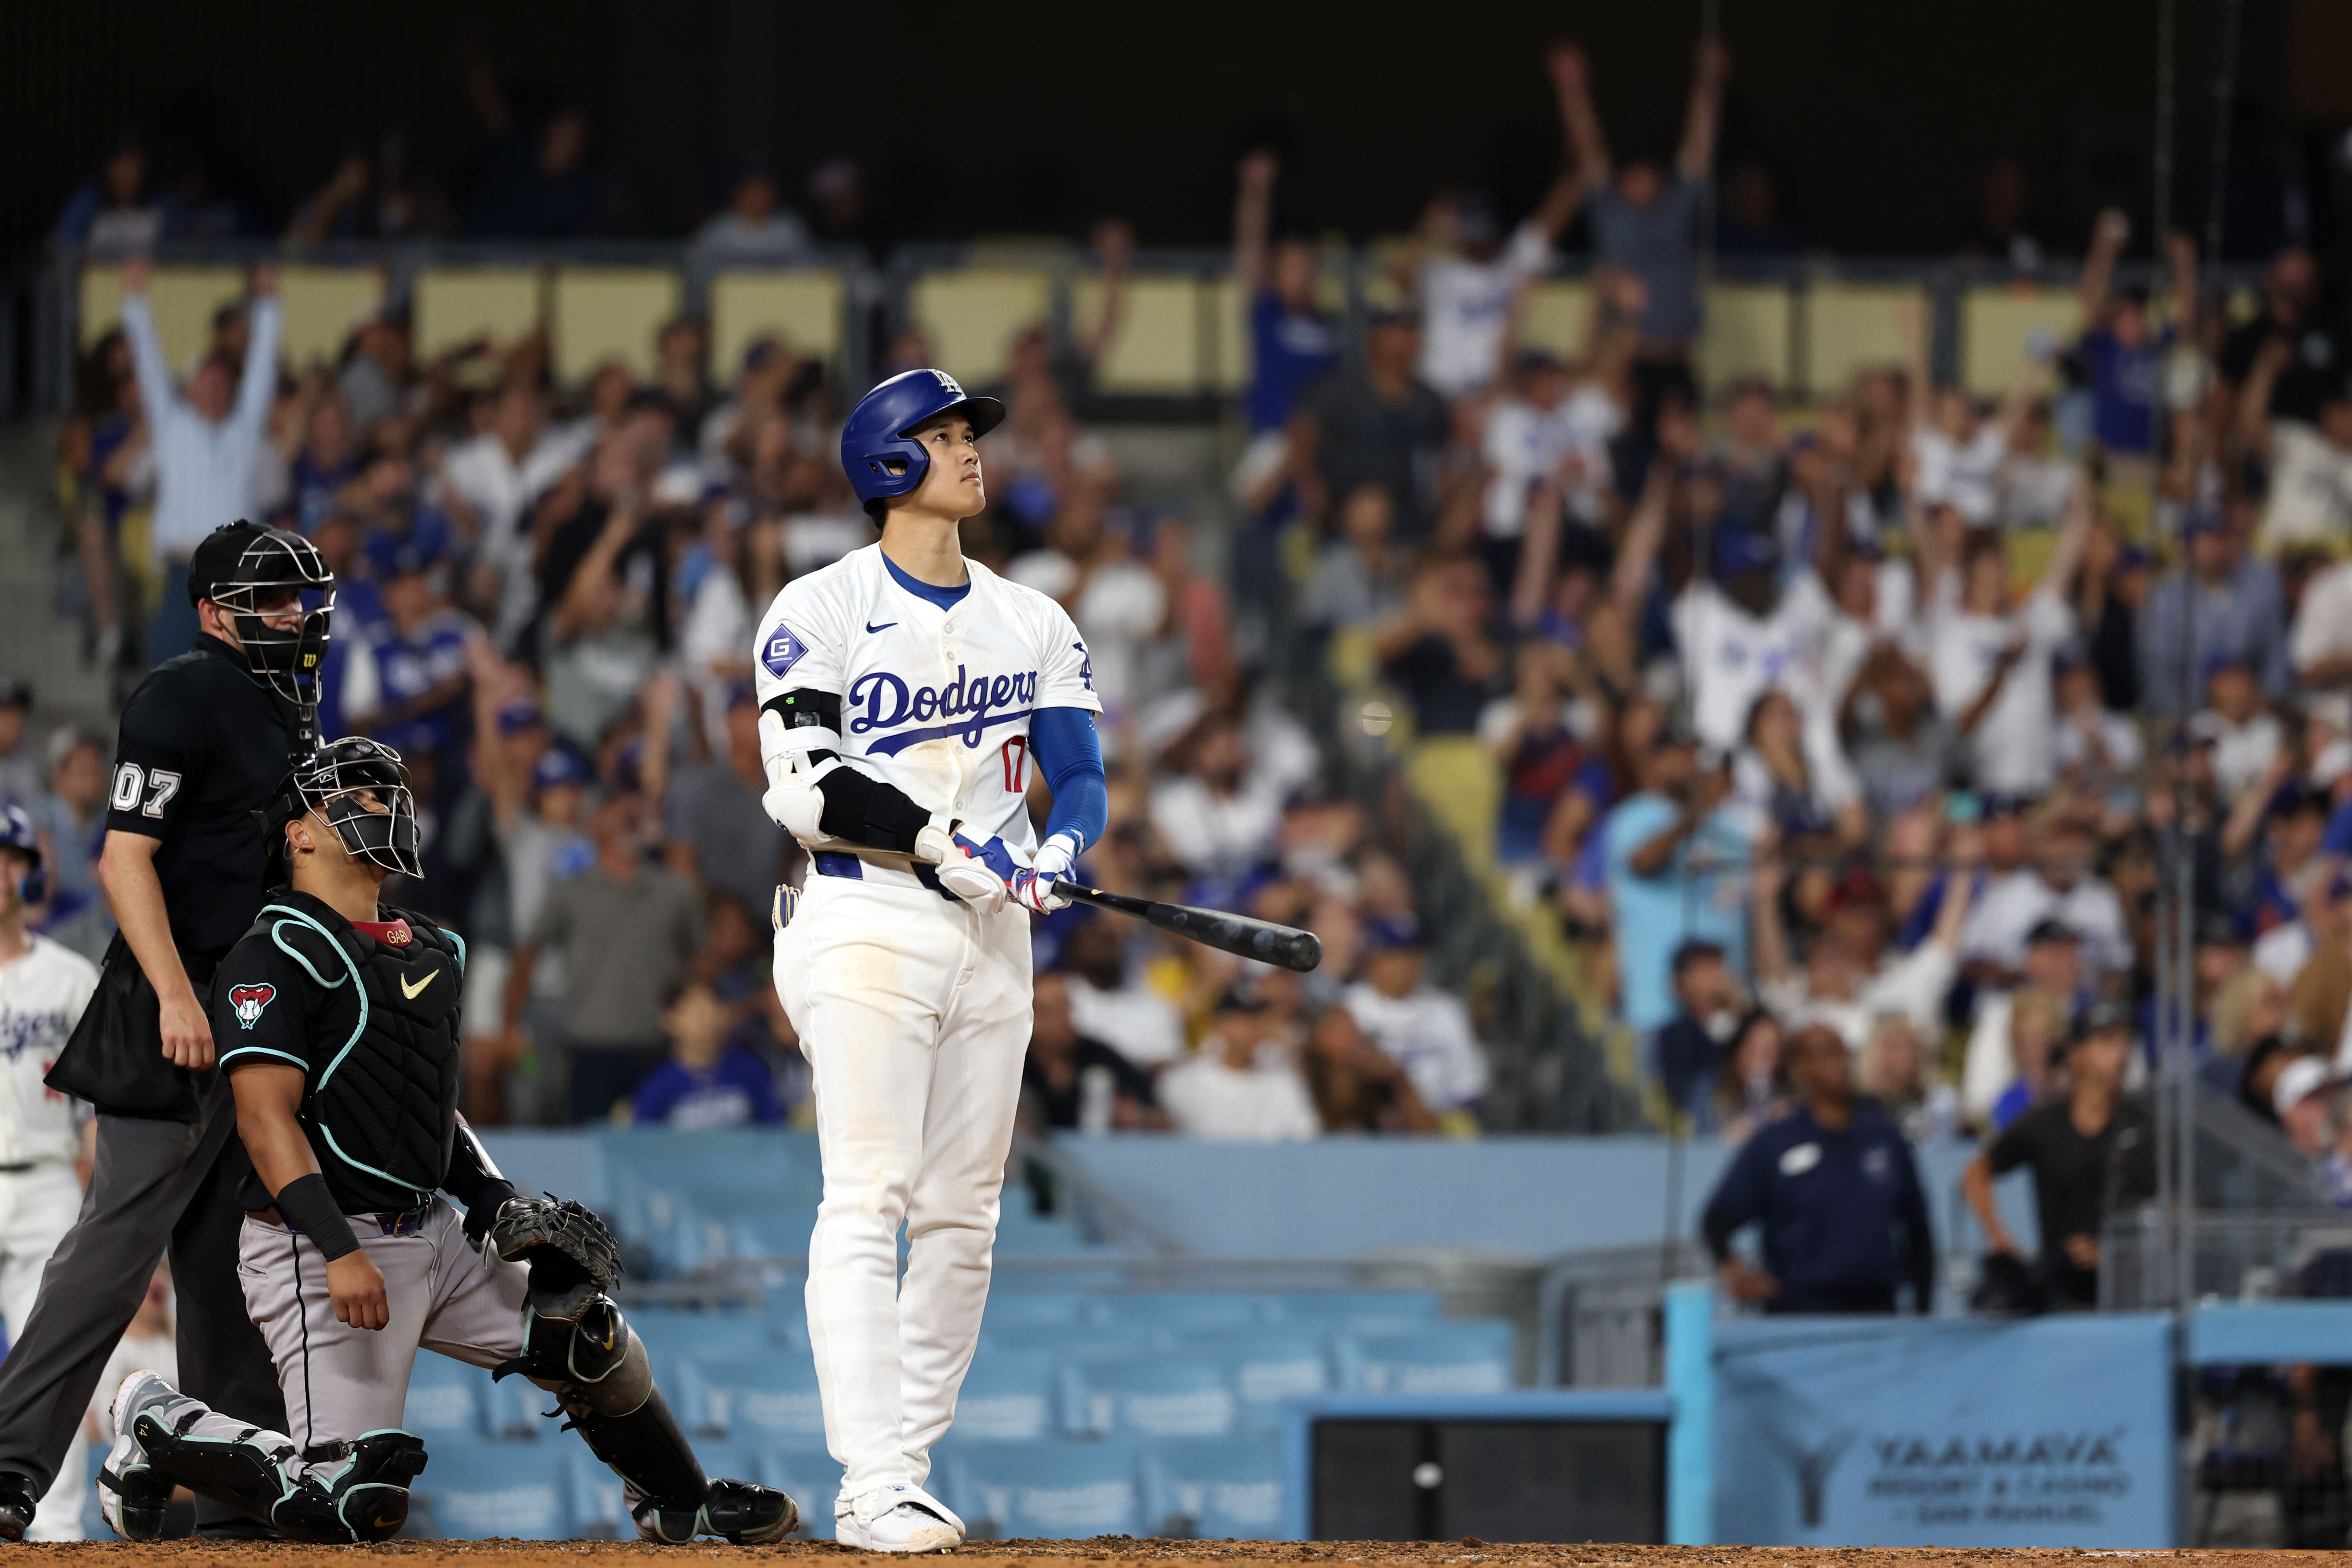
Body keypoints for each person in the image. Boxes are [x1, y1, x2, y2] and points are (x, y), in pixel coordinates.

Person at [92, 738, 791, 1544]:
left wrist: (495, 1199)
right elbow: (263, 1119)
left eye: (386, 793)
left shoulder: (431, 948)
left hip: (431, 1228)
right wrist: (334, 1246)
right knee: (351, 1502)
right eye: (351, 795)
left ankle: (678, 1498)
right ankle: (155, 1416)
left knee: (583, 1330)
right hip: (319, 1244)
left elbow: (425, 1109)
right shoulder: (271, 951)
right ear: (300, 834)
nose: (381, 806)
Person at [752, 367, 1109, 1551]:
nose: (970, 451)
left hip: (993, 929)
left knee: (965, 1211)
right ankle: (872, 1482)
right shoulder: (821, 605)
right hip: (863, 912)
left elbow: (1082, 771)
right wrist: (939, 837)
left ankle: (904, 1465)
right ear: (887, 462)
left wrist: (1059, 847)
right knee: (869, 1195)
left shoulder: (1035, 616)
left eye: (968, 434)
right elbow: (806, 781)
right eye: (946, 434)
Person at [0, 522, 332, 1541]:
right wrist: (178, 997)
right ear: (211, 611)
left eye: (298, 598)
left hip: (254, 1014)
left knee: (235, 1265)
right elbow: (123, 860)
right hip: (172, 1010)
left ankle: (238, 1493)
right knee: (115, 1247)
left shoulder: (292, 712)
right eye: (269, 601)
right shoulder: (181, 694)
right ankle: (11, 1466)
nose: (292, 617)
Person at [0, 812, 99, 1538]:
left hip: (45, 1178)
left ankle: (57, 1525)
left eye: (8, 858)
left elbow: (103, 1096)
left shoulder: (68, 974)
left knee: (52, 1352)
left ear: (27, 869)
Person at [498, 788, 705, 1125]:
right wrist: (510, 1025)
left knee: (661, 1156)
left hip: (659, 1049)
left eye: (633, 812)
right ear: (594, 826)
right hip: (590, 1051)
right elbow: (526, 954)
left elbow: (702, 958)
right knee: (589, 1151)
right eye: (616, 811)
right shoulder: (571, 892)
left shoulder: (675, 892)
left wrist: (687, 1011)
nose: (627, 818)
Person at [1552, 37, 1728, 427]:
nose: (1642, 180)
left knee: (1680, 457)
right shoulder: (1609, 212)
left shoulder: (1675, 211)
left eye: (1651, 174)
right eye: (1634, 174)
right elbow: (1589, 149)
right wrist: (1572, 89)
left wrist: (1709, 83)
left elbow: (1697, 150)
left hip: (1678, 361)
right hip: (1627, 361)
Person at [1700, 1024, 1937, 1314]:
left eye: (1842, 1053)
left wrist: (1923, 1310)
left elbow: (1918, 1231)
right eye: (1825, 1053)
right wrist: (1737, 1275)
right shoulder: (1776, 1142)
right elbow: (1716, 1221)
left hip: (1875, 1309)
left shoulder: (1885, 1138)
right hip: (1799, 1312)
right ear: (1800, 1068)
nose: (1838, 1064)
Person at [118, 258, 283, 664]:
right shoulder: (173, 426)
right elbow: (150, 365)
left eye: (222, 382)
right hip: (184, 572)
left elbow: (262, 371)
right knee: (169, 672)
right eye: (205, 380)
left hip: (235, 578)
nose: (213, 389)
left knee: (237, 678)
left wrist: (268, 305)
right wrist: (135, 299)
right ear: (189, 387)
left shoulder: (243, 432)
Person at [1963, 1002, 2156, 1310]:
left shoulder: (2146, 1127)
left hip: (2133, 1294)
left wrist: (2113, 1253)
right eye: (2106, 1042)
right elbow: (1977, 1171)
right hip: (2060, 1294)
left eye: (2125, 1043)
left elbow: (2177, 1208)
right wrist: (1997, 1234)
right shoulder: (2045, 1124)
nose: (2119, 1055)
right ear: (2076, 1052)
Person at [1158, 988, 1321, 1142]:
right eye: (1241, 1019)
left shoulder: (1284, 1082)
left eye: (1256, 1019)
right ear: (1220, 1025)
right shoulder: (1183, 1081)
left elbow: (1306, 1136)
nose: (1251, 1027)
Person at [1018, 972, 1161, 1133]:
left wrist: (1138, 1116)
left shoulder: (1098, 1056)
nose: (1065, 1018)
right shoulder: (1014, 1064)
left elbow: (1160, 1115)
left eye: (1068, 1008)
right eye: (1054, 1011)